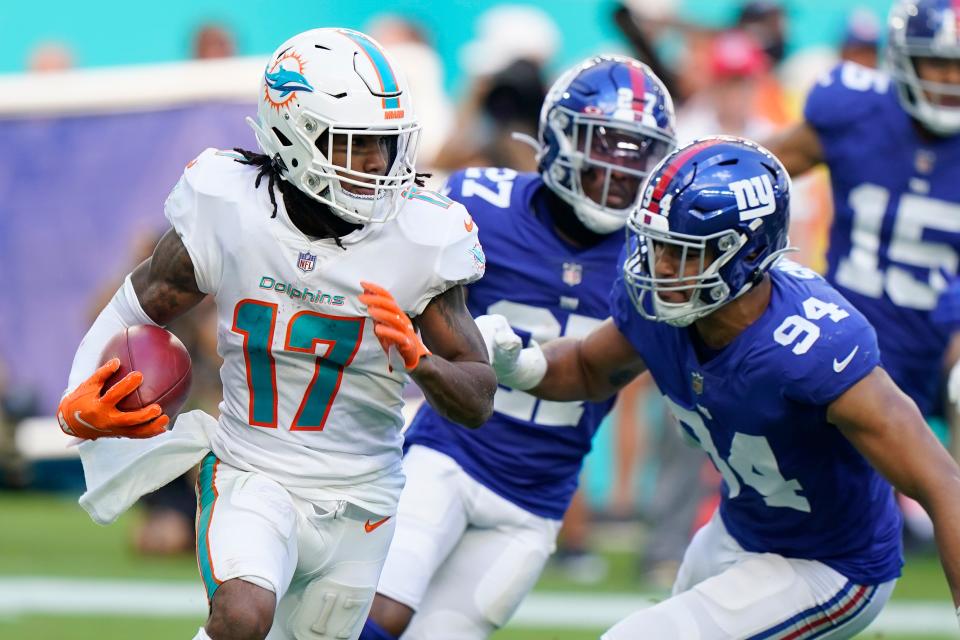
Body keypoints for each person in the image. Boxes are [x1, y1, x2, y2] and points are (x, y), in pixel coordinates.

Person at [55, 28, 496, 640]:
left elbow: (478, 395)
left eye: (386, 143)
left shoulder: (422, 237)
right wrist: (79, 398)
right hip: (251, 470)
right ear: (294, 139)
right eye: (355, 142)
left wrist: (421, 360)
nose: (377, 161)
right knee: (242, 617)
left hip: (363, 496)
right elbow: (139, 306)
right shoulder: (229, 206)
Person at [480, 136, 960, 638]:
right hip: (740, 528)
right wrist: (521, 364)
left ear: (746, 254)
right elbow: (586, 368)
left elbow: (940, 483)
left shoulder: (812, 348)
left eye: (683, 251)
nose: (660, 266)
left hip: (831, 563)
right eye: (658, 243)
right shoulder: (662, 304)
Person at [360, 55, 677, 640]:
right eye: (604, 145)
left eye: (636, 153)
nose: (617, 168)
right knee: (376, 616)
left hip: (535, 500)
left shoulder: (656, 257)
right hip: (448, 455)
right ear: (557, 139)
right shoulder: (484, 206)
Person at [764, 0, 960, 435]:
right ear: (904, 59)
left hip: (936, 347)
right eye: (937, 63)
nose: (951, 79)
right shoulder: (857, 113)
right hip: (846, 339)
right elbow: (755, 169)